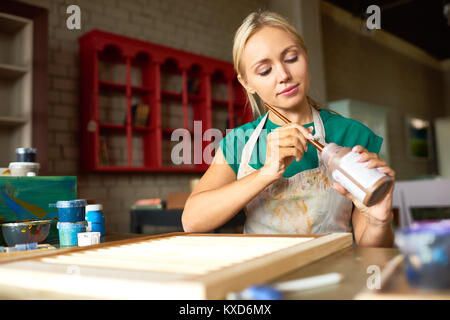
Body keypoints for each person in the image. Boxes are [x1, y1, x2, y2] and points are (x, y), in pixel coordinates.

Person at [182, 10, 395, 247]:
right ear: (247, 83)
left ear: (305, 56)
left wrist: (379, 221)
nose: (283, 75)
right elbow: (192, 220)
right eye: (264, 70)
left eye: (292, 58)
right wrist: (266, 172)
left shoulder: (352, 135)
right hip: (261, 279)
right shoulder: (239, 142)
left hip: (335, 277)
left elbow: (373, 253)